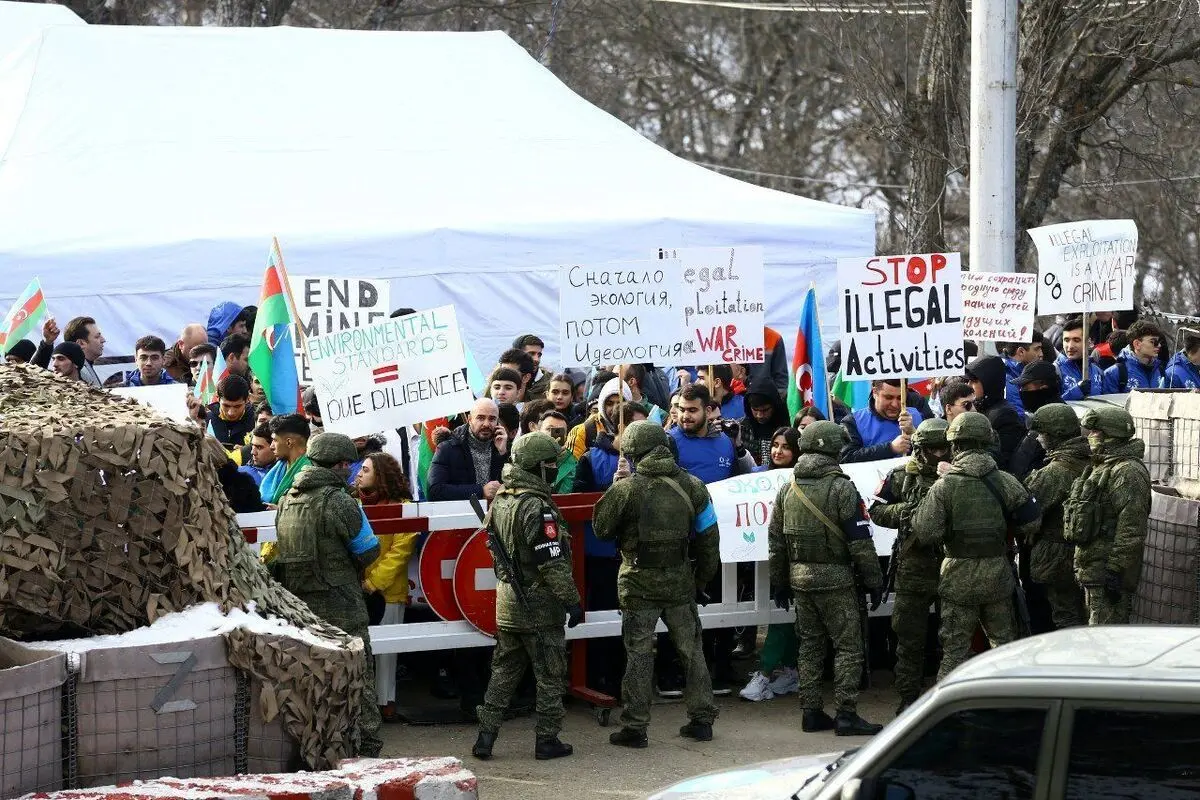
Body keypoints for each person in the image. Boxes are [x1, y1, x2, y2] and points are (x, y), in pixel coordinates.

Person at [593, 421, 720, 749]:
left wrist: (615, 488)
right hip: (680, 582)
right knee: (692, 651)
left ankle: (635, 727)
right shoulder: (694, 486)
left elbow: (602, 529)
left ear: (633, 452)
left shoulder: (627, 488)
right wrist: (701, 580)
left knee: (638, 654)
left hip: (638, 583)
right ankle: (702, 720)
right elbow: (709, 540)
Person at [472, 433, 582, 761]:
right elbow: (551, 562)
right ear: (536, 466)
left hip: (508, 600)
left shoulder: (503, 498)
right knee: (550, 673)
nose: (554, 469)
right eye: (550, 464)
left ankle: (485, 738)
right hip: (539, 605)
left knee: (503, 672)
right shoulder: (537, 506)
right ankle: (547, 739)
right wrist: (571, 601)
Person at [768, 421, 883, 736]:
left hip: (800, 580)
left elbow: (776, 542)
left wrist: (780, 582)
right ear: (834, 449)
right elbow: (860, 541)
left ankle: (811, 712)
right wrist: (874, 580)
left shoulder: (788, 489)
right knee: (848, 646)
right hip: (837, 580)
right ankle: (846, 713)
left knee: (810, 645)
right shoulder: (842, 488)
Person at [271, 432, 382, 757]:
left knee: (312, 681)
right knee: (358, 677)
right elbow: (368, 551)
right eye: (348, 465)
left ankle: (318, 748)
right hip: (342, 605)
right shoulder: (340, 501)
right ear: (341, 464)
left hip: (300, 609)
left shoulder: (287, 499)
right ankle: (367, 749)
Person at [912, 412, 1040, 680]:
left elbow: (925, 532)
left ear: (954, 445)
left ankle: (951, 703)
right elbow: (1031, 523)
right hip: (997, 575)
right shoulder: (1005, 481)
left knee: (954, 653)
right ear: (988, 441)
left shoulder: (944, 486)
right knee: (1003, 648)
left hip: (957, 577)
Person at [869, 419, 949, 713]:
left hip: (951, 565)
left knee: (953, 637)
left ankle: (948, 699)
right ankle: (907, 697)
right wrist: (909, 511)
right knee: (908, 636)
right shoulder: (901, 475)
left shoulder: (959, 475)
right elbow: (876, 510)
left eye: (944, 448)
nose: (938, 455)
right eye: (932, 449)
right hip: (913, 565)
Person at [1063, 407, 1151, 625]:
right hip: (1093, 569)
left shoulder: (1127, 471)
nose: (1090, 436)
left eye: (1096, 432)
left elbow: (1132, 526)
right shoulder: (1103, 465)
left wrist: (1116, 569)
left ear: (1111, 434)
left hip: (1107, 572)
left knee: (1106, 638)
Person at [740, 426, 802, 703]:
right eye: (776, 445)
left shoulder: (802, 479)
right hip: (762, 558)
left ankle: (765, 673)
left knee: (782, 614)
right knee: (781, 614)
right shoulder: (757, 476)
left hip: (793, 557)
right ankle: (789, 670)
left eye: (786, 447)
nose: (778, 451)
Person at [356, 452, 417, 724]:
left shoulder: (404, 507)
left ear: (380, 476)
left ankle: (385, 703)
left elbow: (400, 552)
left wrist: (373, 583)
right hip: (357, 589)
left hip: (388, 591)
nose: (359, 474)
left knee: (387, 654)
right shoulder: (352, 504)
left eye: (366, 470)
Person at [1020, 405, 1089, 630]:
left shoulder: (1055, 472)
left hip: (1058, 557)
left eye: (1042, 433)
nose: (1038, 438)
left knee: (1066, 617)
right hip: (1085, 554)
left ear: (1054, 435)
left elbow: (1026, 513)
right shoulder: (1090, 459)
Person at [668, 384, 754, 483]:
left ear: (708, 411)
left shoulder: (727, 441)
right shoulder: (668, 441)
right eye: (682, 410)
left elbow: (741, 478)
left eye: (692, 410)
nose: (685, 416)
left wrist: (739, 448)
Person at [427, 398, 509, 501]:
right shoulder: (448, 448)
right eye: (480, 418)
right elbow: (435, 491)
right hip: (462, 511)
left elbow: (514, 487)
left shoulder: (503, 446)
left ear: (498, 422)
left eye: (492, 419)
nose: (486, 424)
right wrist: (480, 491)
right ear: (469, 419)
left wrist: (503, 454)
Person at [964, 355, 1026, 472]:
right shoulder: (980, 408)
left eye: (974, 381)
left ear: (989, 383)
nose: (969, 386)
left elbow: (1002, 459)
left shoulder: (1005, 415)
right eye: (968, 381)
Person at [839, 379, 923, 463]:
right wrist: (890, 448)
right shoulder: (853, 421)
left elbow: (929, 453)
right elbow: (847, 458)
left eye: (900, 398)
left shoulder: (917, 415)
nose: (895, 404)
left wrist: (915, 434)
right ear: (875, 392)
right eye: (888, 397)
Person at [34, 316, 105, 386]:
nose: (103, 340)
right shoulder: (76, 372)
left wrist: (47, 342)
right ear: (81, 343)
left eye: (60, 359)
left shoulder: (87, 368)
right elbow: (34, 375)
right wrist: (47, 342)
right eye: (97, 337)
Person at [260, 413, 312, 507]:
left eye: (275, 440)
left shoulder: (310, 472)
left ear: (288, 442)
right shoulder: (279, 466)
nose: (271, 446)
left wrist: (281, 510)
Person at [1102, 319, 1166, 394]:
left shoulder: (1161, 370)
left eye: (1159, 342)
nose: (1159, 345)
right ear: (1137, 344)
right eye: (1153, 342)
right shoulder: (1114, 373)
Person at [741, 375, 790, 466]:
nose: (759, 415)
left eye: (765, 410)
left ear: (774, 406)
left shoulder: (787, 427)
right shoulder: (742, 428)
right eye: (755, 410)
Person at [1056, 317, 1104, 401]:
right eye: (1066, 340)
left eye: (1076, 340)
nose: (1070, 346)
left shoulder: (1098, 371)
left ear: (1089, 342)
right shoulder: (1055, 370)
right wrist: (1077, 391)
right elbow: (1051, 406)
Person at [998, 332, 1044, 416]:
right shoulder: (1007, 378)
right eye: (1037, 349)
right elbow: (1017, 417)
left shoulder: (1026, 373)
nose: (1041, 354)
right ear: (1021, 352)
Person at [207, 375, 256, 450]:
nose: (231, 413)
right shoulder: (205, 421)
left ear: (247, 399)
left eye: (237, 406)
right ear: (217, 398)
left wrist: (247, 452)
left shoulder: (256, 421)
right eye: (226, 406)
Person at [537, 411, 576, 493]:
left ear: (566, 436)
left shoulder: (573, 463)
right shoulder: (526, 456)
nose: (553, 434)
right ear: (538, 431)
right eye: (549, 429)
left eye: (559, 431)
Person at [746, 326, 789, 397]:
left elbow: (781, 378)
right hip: (732, 399)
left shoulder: (774, 338)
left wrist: (778, 400)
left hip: (764, 399)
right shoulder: (728, 335)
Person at [512, 334, 553, 401]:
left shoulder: (551, 383)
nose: (536, 359)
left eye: (539, 355)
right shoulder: (500, 380)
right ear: (517, 355)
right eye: (531, 354)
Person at [238, 422, 277, 487]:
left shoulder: (286, 476)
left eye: (259, 447)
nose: (253, 452)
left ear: (274, 446)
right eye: (252, 446)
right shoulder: (239, 473)